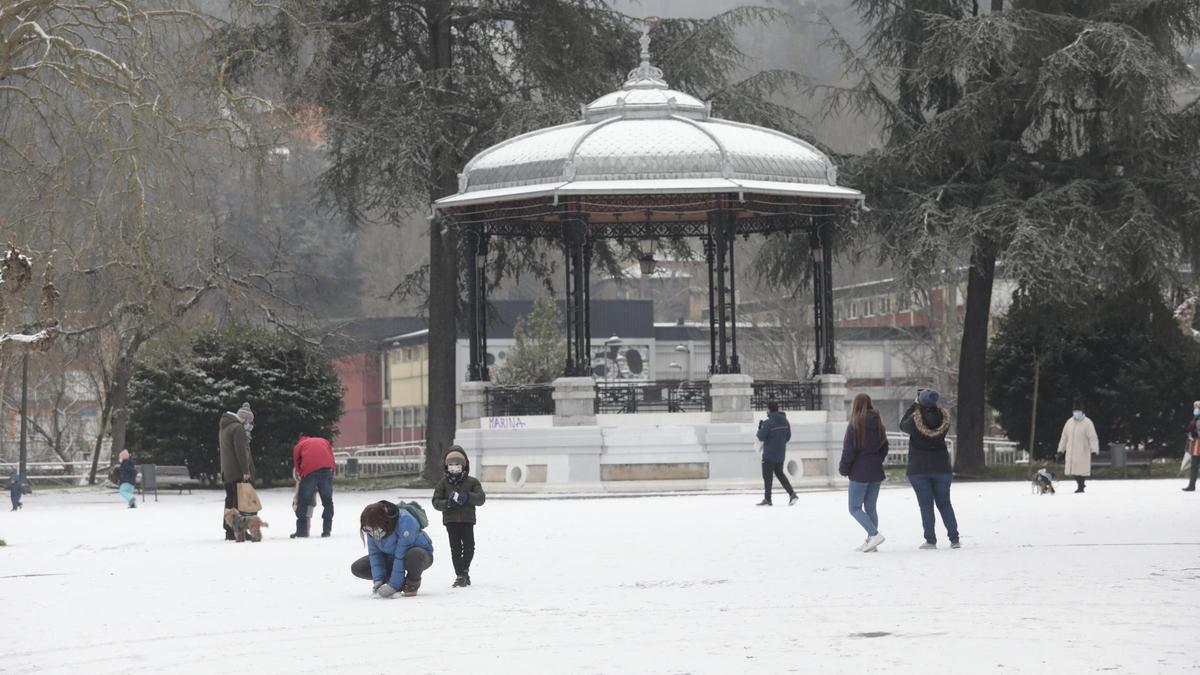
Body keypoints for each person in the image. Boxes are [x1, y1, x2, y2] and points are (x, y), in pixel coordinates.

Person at [900, 388, 960, 549]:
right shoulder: (944, 420)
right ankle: (954, 539)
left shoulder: (914, 421)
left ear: (920, 401)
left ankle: (931, 540)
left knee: (926, 506)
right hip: (942, 468)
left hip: (919, 469)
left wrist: (913, 406)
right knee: (945, 504)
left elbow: (902, 425)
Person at [351, 501, 434, 597]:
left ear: (383, 521)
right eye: (367, 529)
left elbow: (400, 555)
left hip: (418, 556)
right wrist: (378, 580)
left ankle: (411, 583)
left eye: (373, 529)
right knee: (358, 567)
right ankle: (392, 580)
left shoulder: (405, 520)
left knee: (415, 555)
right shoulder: (372, 528)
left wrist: (394, 586)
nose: (371, 532)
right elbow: (375, 555)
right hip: (392, 557)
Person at [839, 394, 889, 552]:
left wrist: (844, 469)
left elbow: (849, 451)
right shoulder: (879, 423)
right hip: (876, 470)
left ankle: (874, 534)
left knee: (854, 507)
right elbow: (884, 446)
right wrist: (877, 459)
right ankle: (871, 541)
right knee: (871, 507)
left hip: (860, 471)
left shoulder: (855, 424)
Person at [431, 446, 486, 587]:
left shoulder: (472, 482)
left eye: (457, 464)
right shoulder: (442, 483)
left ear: (464, 465)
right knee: (455, 548)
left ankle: (464, 571)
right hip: (451, 520)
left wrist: (467, 497)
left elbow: (481, 498)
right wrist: (447, 504)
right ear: (446, 466)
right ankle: (460, 575)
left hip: (467, 519)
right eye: (451, 465)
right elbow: (436, 501)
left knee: (469, 546)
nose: (454, 467)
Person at [218, 402, 254, 541]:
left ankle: (228, 530)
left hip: (227, 471)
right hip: (236, 471)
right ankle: (237, 531)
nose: (250, 425)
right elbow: (240, 452)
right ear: (244, 419)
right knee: (237, 503)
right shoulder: (237, 428)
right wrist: (245, 470)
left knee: (229, 501)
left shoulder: (225, 427)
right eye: (250, 421)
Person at [291, 434, 336, 538]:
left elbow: (296, 463)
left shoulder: (299, 446)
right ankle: (327, 530)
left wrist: (300, 474)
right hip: (327, 469)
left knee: (303, 501)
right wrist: (332, 470)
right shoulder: (323, 440)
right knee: (327, 500)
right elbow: (331, 456)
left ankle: (302, 531)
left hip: (310, 471)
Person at [756, 400, 798, 506]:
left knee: (767, 477)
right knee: (780, 474)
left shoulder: (768, 423)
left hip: (769, 454)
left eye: (767, 409)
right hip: (780, 454)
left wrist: (760, 427)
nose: (766, 411)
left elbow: (760, 436)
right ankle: (792, 494)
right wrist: (780, 443)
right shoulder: (785, 421)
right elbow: (788, 436)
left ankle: (767, 499)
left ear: (769, 410)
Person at [1056, 400, 1099, 493]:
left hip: (1082, 450)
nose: (1076, 413)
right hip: (1071, 450)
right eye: (1075, 411)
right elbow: (1064, 437)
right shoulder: (1069, 422)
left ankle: (1081, 486)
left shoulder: (1087, 423)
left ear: (1082, 411)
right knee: (1073, 470)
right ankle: (1081, 484)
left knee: (1081, 470)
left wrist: (1094, 449)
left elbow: (1093, 437)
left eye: (1078, 411)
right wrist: (1060, 450)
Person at [1185, 401, 1200, 492]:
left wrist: (1195, 434)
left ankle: (1191, 485)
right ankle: (1191, 485)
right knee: (1193, 466)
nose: (1195, 409)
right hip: (1195, 446)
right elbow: (1190, 428)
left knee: (1194, 466)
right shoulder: (1195, 418)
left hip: (1198, 444)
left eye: (1197, 407)